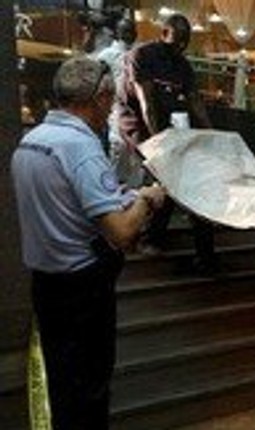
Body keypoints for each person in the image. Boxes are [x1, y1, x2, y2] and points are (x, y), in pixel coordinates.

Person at [11, 56, 166, 430]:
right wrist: (146, 198)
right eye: (110, 102)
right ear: (99, 98)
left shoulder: (31, 141)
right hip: (82, 290)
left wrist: (120, 193)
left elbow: (70, 203)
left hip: (46, 285)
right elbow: (120, 232)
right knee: (90, 393)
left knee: (63, 389)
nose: (111, 109)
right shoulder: (80, 148)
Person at [117, 13, 216, 272]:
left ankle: (185, 245)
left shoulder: (181, 64)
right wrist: (160, 144)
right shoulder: (143, 56)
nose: (181, 47)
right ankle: (148, 238)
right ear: (164, 33)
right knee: (163, 174)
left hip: (170, 121)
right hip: (137, 122)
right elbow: (146, 102)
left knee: (175, 175)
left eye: (186, 42)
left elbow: (195, 102)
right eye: (177, 40)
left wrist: (212, 135)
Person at [94, 16, 142, 186]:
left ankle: (133, 192)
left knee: (136, 155)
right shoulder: (107, 55)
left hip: (137, 111)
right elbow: (97, 80)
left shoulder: (140, 53)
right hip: (115, 110)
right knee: (118, 148)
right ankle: (111, 190)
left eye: (132, 30)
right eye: (126, 30)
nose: (130, 34)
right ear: (117, 33)